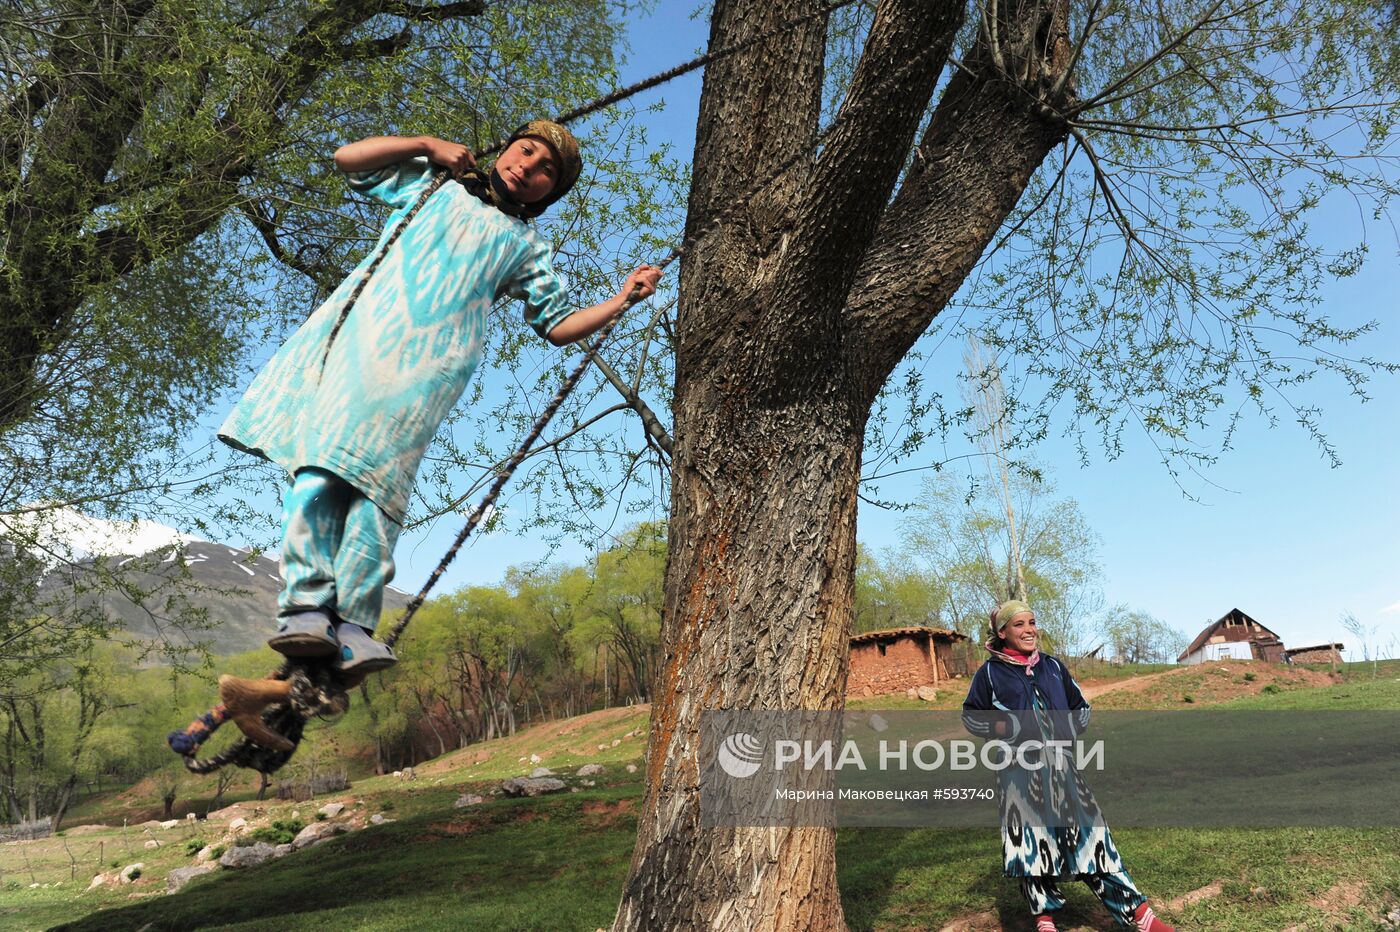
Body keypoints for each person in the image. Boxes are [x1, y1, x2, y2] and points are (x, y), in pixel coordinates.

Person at [219, 122, 662, 675]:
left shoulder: (526, 245)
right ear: (505, 148)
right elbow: (347, 155)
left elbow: (559, 324)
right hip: (361, 343)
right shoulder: (432, 185)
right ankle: (306, 608)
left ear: (552, 190)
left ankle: (354, 623)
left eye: (547, 168)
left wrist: (622, 299)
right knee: (320, 467)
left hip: (431, 367)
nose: (529, 165)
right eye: (526, 150)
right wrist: (425, 144)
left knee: (378, 486)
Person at [962, 600, 1175, 932]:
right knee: (1030, 846)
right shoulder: (989, 673)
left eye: (1032, 622)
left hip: (1063, 768)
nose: (1029, 630)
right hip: (1017, 773)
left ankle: (1141, 915)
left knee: (1093, 837)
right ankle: (1044, 919)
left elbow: (1081, 707)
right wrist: (1006, 729)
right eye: (1019, 624)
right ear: (1002, 632)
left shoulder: (1053, 667)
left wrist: (1067, 730)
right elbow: (972, 716)